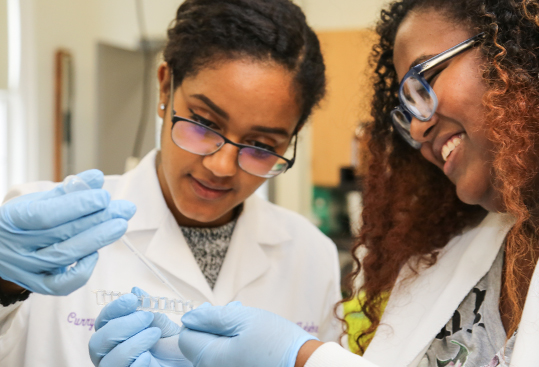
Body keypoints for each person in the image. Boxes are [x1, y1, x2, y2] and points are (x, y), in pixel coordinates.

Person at [88, 0, 539, 366]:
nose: (416, 128)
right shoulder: (469, 247)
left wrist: (301, 361)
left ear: (521, 48)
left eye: (424, 78)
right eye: (402, 104)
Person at [0, 0, 342, 366]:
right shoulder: (40, 231)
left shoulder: (311, 255)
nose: (222, 166)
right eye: (205, 123)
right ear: (165, 89)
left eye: (261, 146)